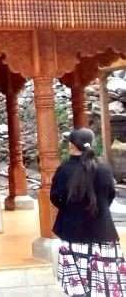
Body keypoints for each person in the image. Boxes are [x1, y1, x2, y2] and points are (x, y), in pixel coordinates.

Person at [51, 127, 126, 296]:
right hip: (103, 232)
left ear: (71, 146)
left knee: (77, 288)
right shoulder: (104, 169)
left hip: (73, 234)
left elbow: (55, 197)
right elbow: (110, 196)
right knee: (105, 286)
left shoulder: (64, 169)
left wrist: (70, 210)